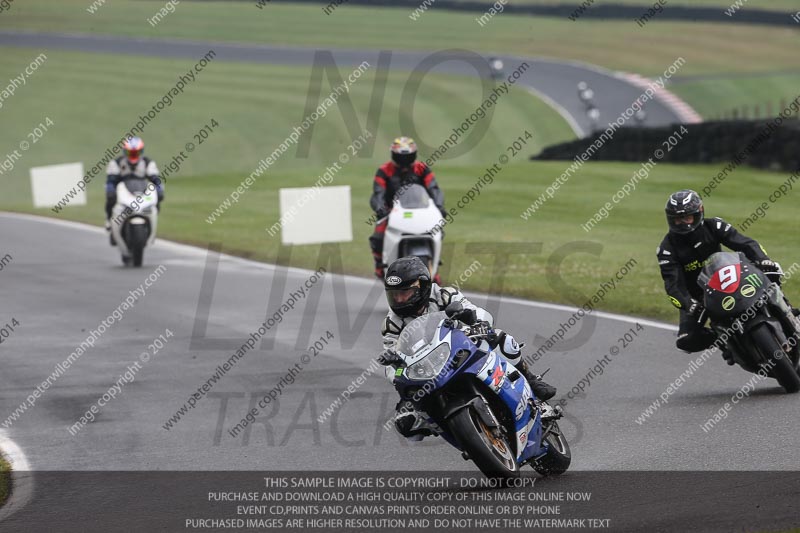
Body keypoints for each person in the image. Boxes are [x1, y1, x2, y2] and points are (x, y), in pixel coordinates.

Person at [377, 256, 557, 439]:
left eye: (405, 293)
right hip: (426, 370)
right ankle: (453, 429)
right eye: (394, 295)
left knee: (502, 340)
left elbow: (477, 312)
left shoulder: (444, 295)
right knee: (405, 422)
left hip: (460, 346)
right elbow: (390, 359)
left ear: (422, 287)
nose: (399, 299)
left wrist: (475, 321)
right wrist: (396, 369)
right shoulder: (392, 324)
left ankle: (531, 382)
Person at [657, 189, 794, 363]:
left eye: (687, 218)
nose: (682, 223)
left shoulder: (714, 226)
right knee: (686, 341)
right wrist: (688, 304)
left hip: (728, 277)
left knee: (770, 274)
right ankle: (726, 342)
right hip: (699, 298)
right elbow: (673, 285)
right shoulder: (666, 249)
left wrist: (763, 260)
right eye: (677, 219)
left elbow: (746, 244)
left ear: (699, 213)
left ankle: (788, 312)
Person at [369, 137, 446, 280]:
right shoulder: (384, 171)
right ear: (394, 155)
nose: (404, 162)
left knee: (438, 231)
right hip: (392, 212)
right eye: (400, 157)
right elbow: (378, 193)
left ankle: (434, 267)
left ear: (414, 155)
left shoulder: (422, 169)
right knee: (378, 236)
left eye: (407, 157)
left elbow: (434, 189)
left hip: (420, 210)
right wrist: (381, 210)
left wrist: (439, 207)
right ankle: (380, 265)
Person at [105, 137, 164, 245]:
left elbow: (156, 179)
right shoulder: (117, 163)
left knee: (157, 199)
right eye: (130, 153)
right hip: (123, 191)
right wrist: (110, 189)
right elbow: (111, 180)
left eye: (136, 153)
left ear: (141, 152)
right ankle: (109, 221)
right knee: (110, 198)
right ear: (125, 152)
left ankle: (152, 224)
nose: (133, 156)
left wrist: (159, 189)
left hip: (141, 190)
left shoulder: (147, 163)